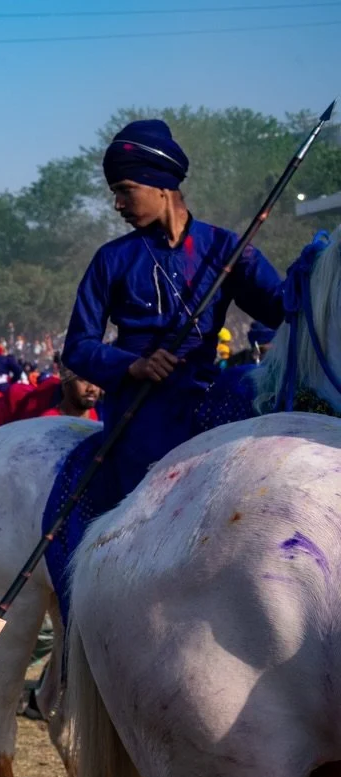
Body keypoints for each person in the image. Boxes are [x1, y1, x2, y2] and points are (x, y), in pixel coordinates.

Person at [62, 118, 284, 499]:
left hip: (208, 401)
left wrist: (316, 270)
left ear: (162, 185)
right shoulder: (112, 259)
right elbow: (78, 347)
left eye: (125, 190)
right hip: (140, 410)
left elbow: (282, 311)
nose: (117, 204)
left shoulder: (225, 248)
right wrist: (133, 365)